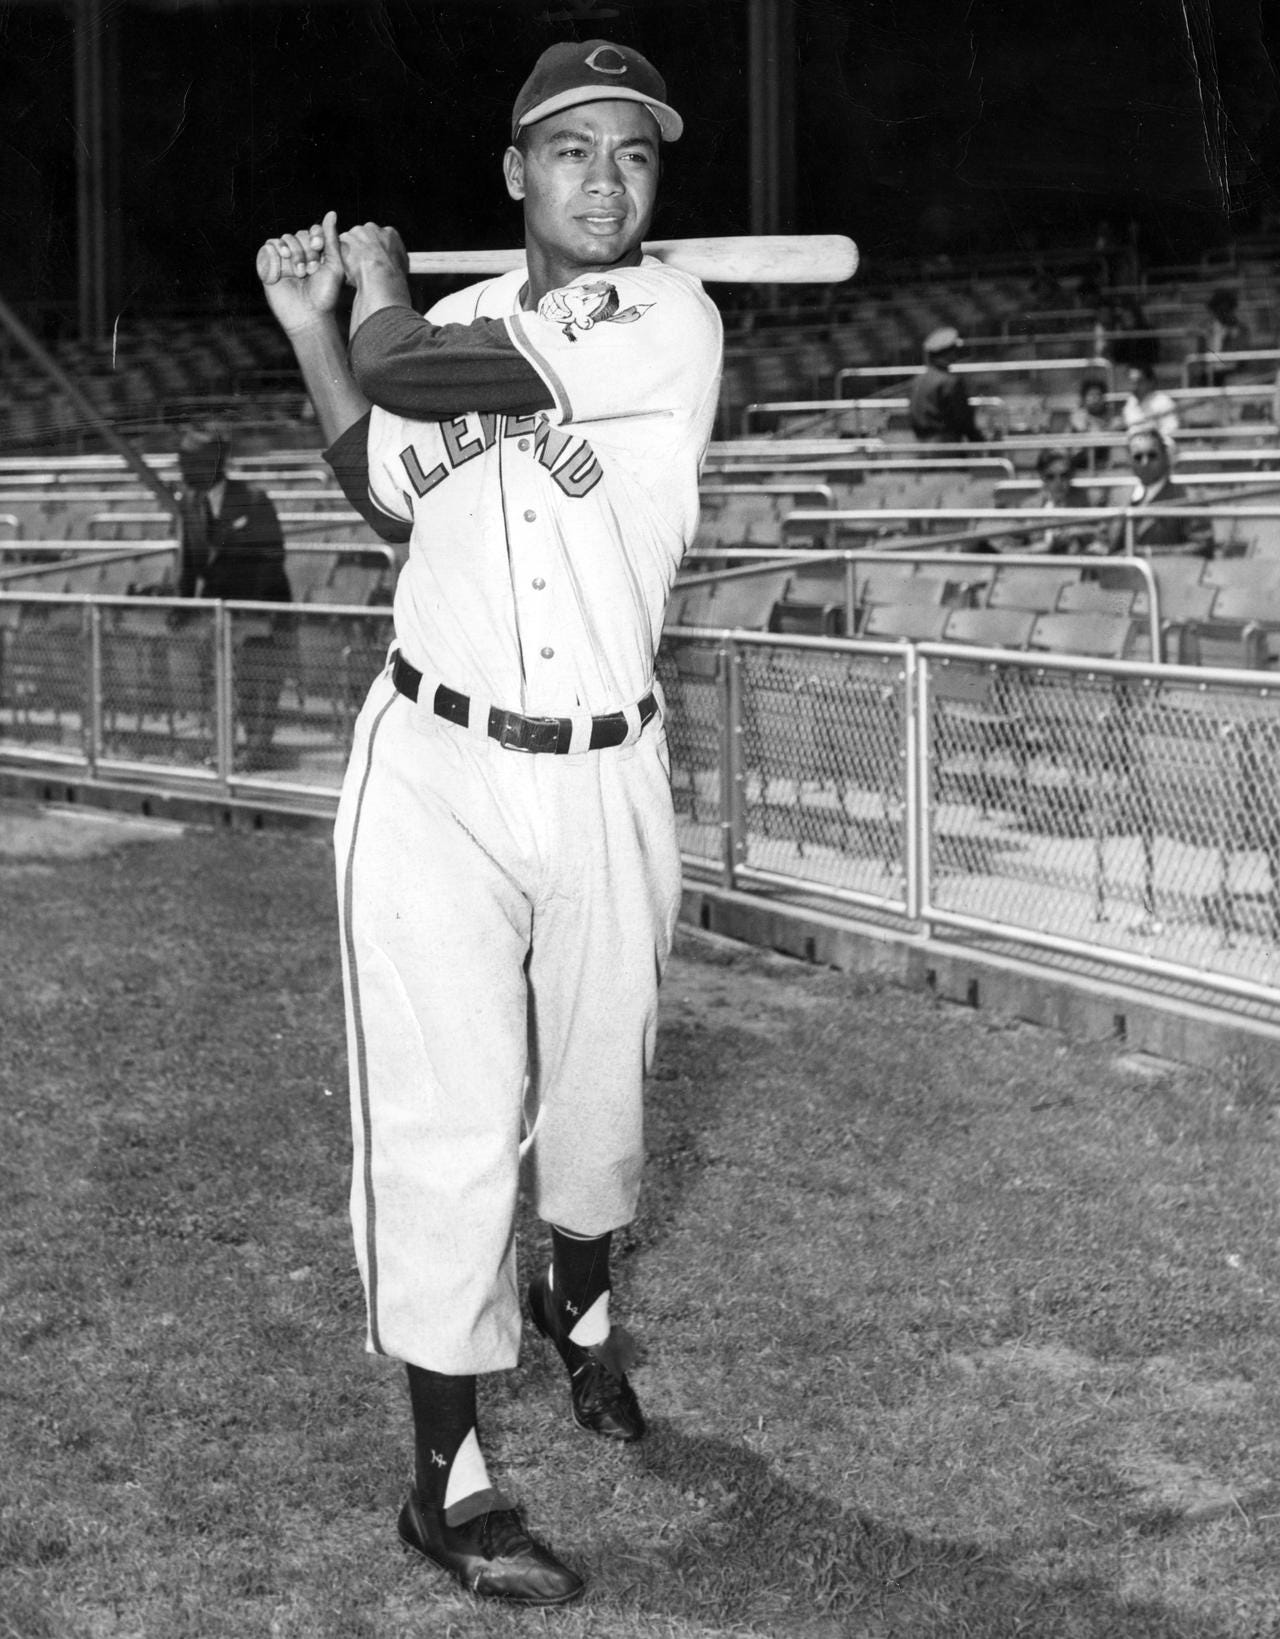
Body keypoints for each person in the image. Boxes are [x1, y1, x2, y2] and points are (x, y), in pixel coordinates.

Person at [256, 39, 722, 1607]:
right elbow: (384, 483)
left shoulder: (669, 320)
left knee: (597, 1103)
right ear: (516, 175)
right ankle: (445, 1473)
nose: (606, 179)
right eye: (571, 151)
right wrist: (321, 329)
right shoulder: (435, 330)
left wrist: (373, 293)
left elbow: (441, 379)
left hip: (604, 761)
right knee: (446, 1113)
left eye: (633, 155)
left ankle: (575, 1290)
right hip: (436, 765)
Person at [170, 421, 293, 767]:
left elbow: (273, 557)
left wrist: (246, 610)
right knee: (220, 683)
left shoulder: (253, 499)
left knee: (258, 685)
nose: (182, 472)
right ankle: (225, 749)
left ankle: (256, 751)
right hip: (219, 614)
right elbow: (190, 563)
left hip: (258, 610)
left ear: (213, 464)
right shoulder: (189, 505)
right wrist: (182, 607)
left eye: (189, 464)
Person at [1106, 428, 1213, 557]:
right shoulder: (1118, 495)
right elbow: (1104, 540)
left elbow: (1202, 548)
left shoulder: (1189, 498)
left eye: (1152, 455)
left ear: (1165, 457)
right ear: (1130, 461)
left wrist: (1148, 553)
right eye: (1138, 457)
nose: (1144, 462)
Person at [1016, 447, 1103, 555]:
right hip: (1040, 566)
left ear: (1072, 474)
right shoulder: (1028, 507)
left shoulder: (1090, 500)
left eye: (1064, 475)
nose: (1058, 482)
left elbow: (1104, 535)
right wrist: (1040, 548)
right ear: (1042, 477)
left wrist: (1080, 531)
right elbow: (1010, 550)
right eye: (1050, 477)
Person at [907, 325, 984, 443]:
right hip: (946, 445)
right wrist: (978, 441)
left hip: (920, 445)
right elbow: (963, 418)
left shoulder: (917, 380)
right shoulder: (950, 382)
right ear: (949, 353)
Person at [1067, 374, 1118, 472]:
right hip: (1079, 463)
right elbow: (1085, 430)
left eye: (1098, 395)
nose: (1095, 399)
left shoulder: (1110, 417)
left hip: (1102, 464)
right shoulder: (1078, 416)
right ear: (1084, 398)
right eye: (1091, 395)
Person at [1119, 363, 1179, 441]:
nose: (1134, 386)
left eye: (1139, 381)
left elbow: (1172, 430)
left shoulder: (1163, 402)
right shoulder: (1130, 402)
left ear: (1150, 382)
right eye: (1131, 382)